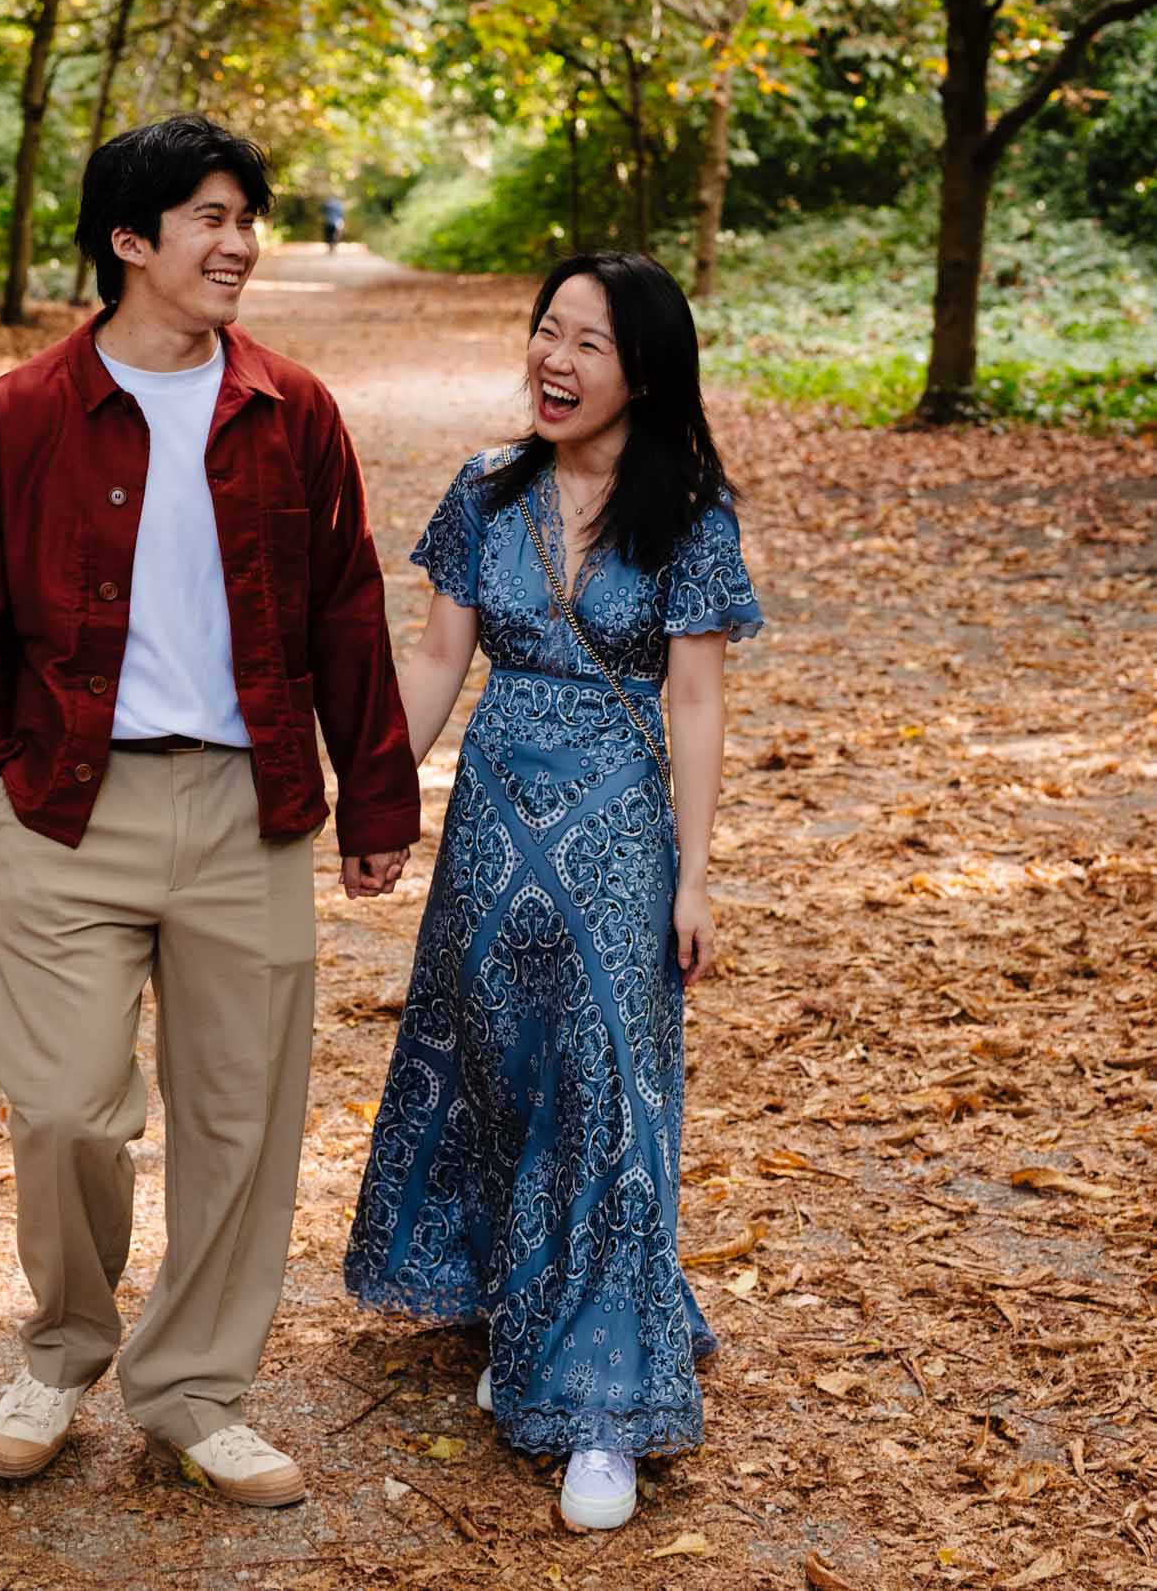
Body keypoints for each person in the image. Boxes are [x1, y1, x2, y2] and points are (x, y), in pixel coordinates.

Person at [0, 114, 421, 1507]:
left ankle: (195, 1385)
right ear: (129, 240)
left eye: (246, 215)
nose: (240, 241)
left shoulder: (291, 409)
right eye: (208, 216)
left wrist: (374, 788)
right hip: (73, 806)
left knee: (240, 1116)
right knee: (67, 1103)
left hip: (248, 804)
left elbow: (346, 607)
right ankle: (63, 1346)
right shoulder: (18, 415)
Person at [341, 250, 762, 1530]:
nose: (554, 360)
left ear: (644, 369)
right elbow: (435, 661)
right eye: (543, 332)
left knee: (607, 1101)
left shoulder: (686, 513)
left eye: (586, 341)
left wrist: (694, 876)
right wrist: (368, 795)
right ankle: (524, 1312)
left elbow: (695, 698)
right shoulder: (484, 491)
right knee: (500, 1076)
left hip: (620, 845)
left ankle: (598, 1401)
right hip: (489, 844)